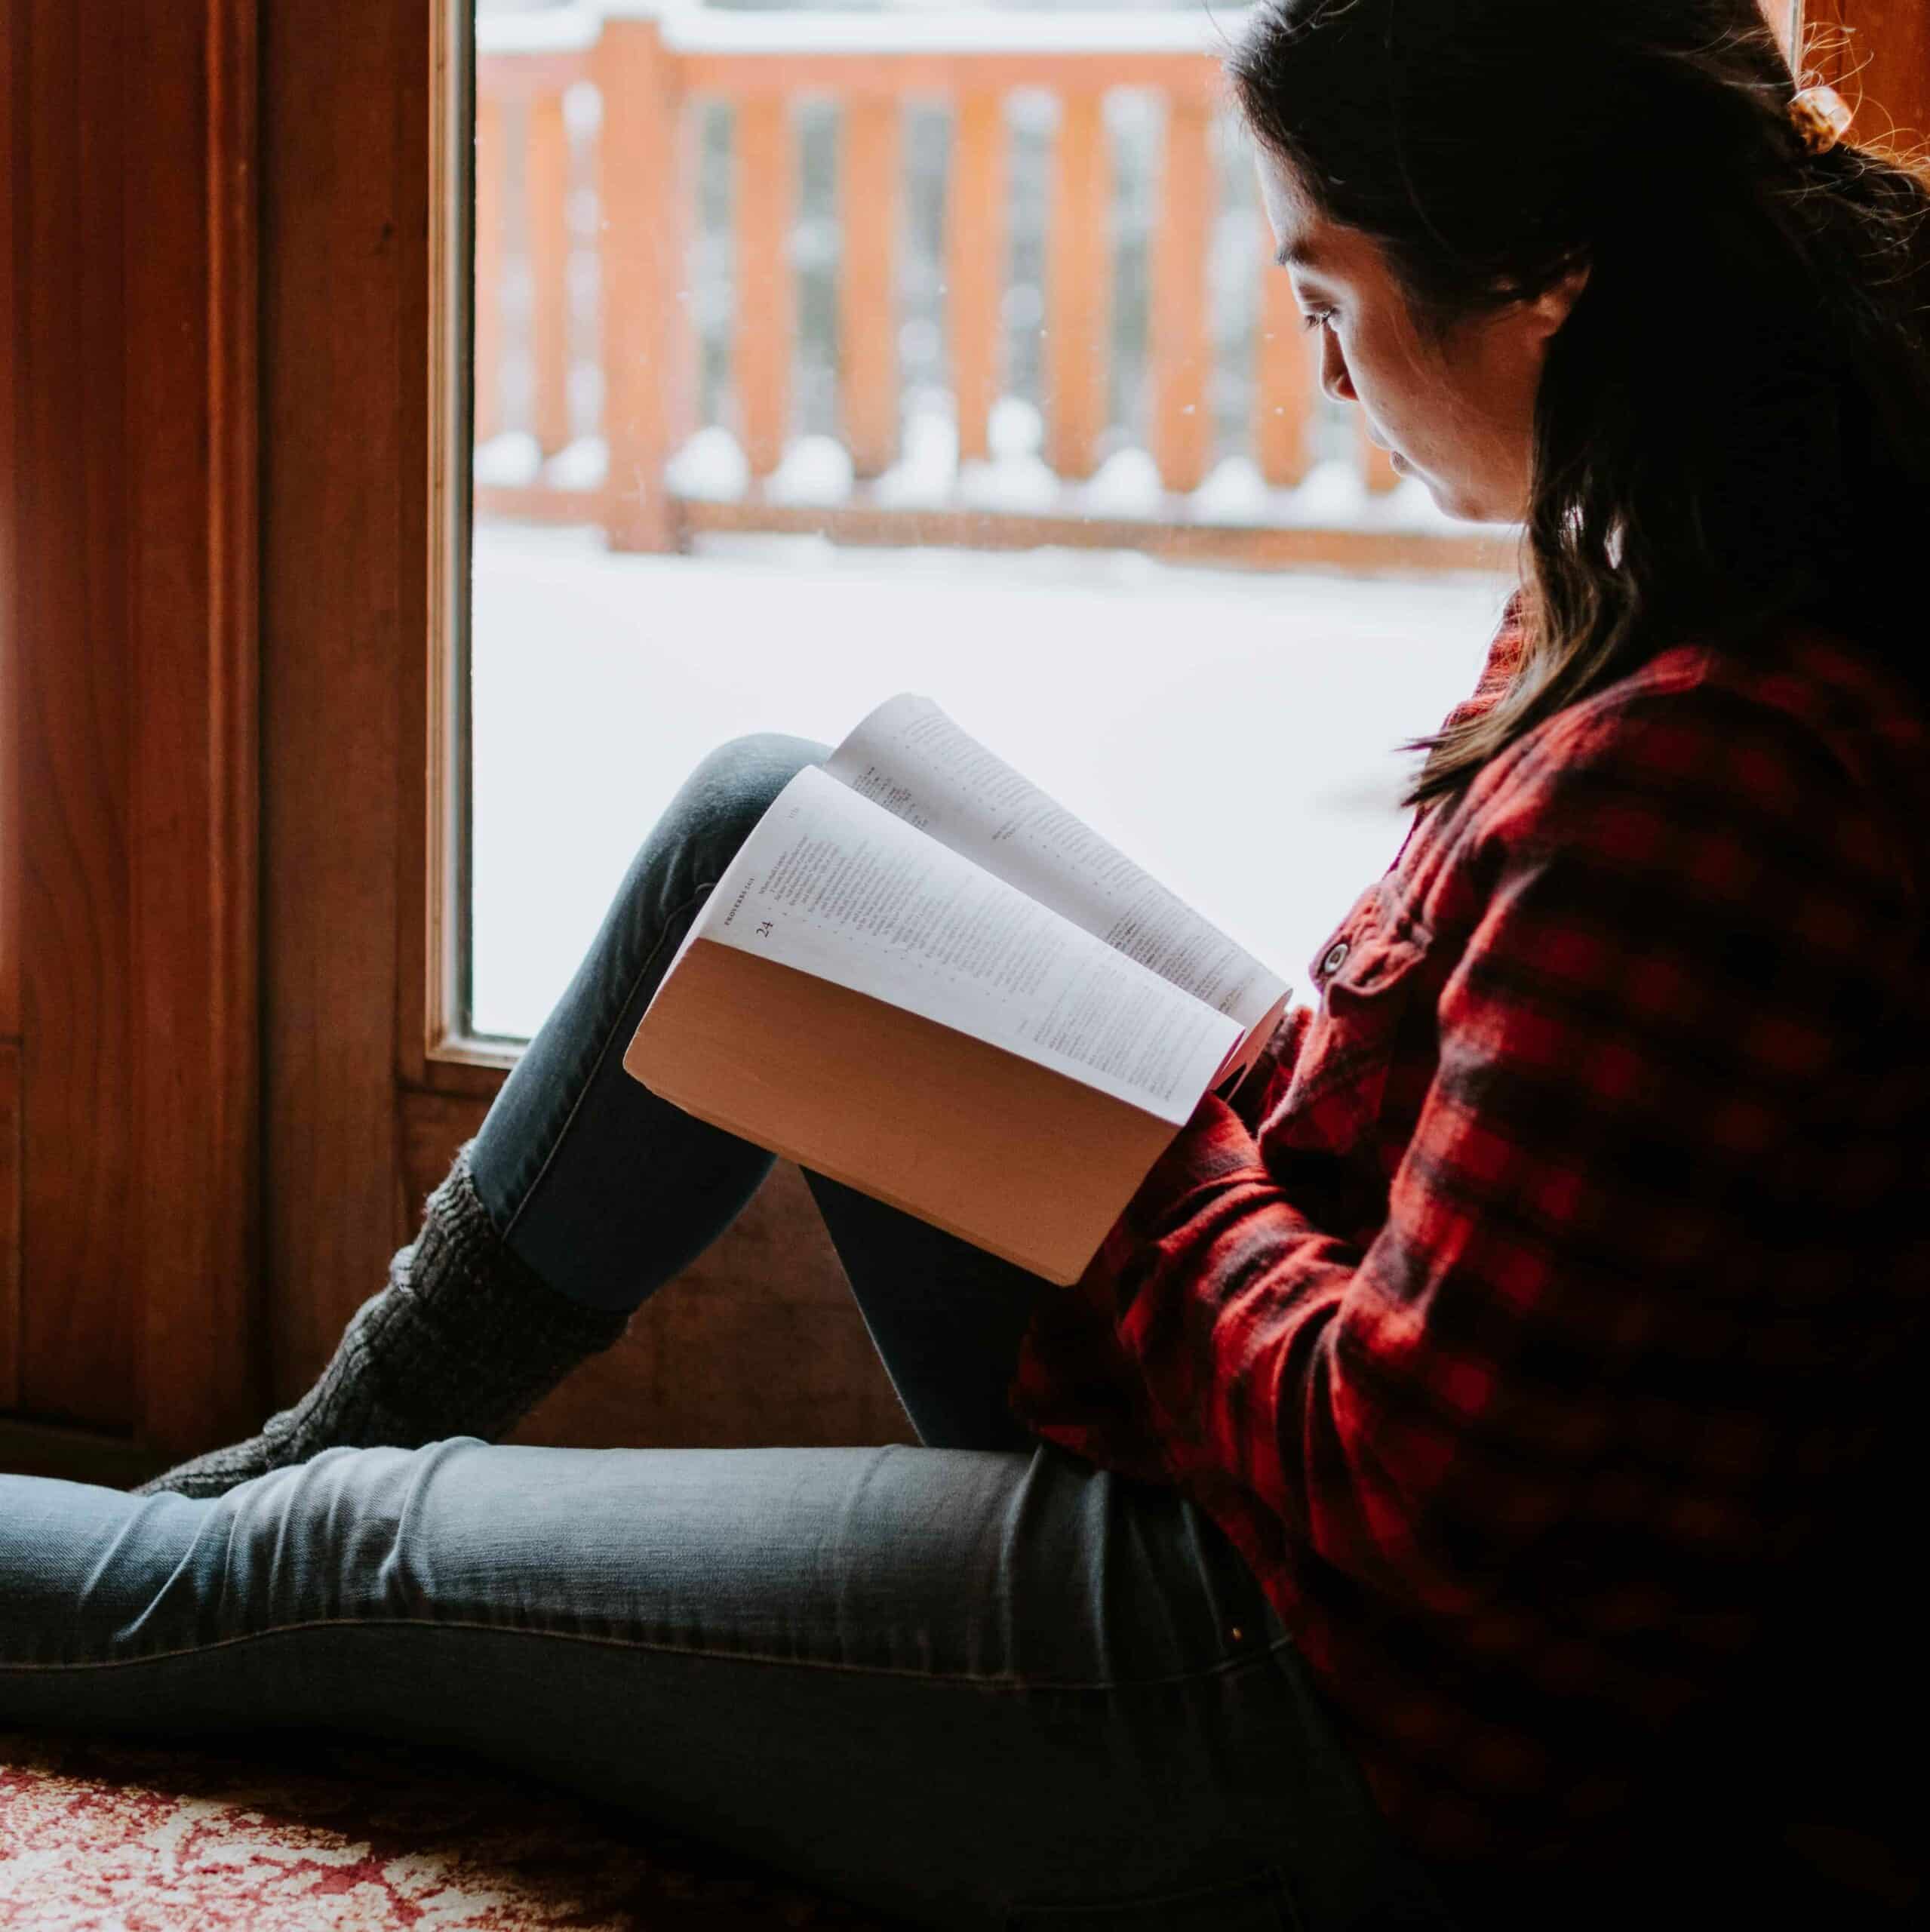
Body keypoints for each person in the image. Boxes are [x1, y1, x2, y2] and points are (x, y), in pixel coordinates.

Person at [5, 2, 1928, 1924]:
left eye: (1329, 298)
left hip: (1346, 1713)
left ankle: (223, 1561)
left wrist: (1151, 1168)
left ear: (1549, 281)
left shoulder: (1706, 767)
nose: (1325, 381)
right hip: (1279, 1490)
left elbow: (1411, 1496)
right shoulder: (1668, 557)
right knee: (758, 824)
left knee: (355, 1556)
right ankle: (239, 1506)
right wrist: (1168, 1101)